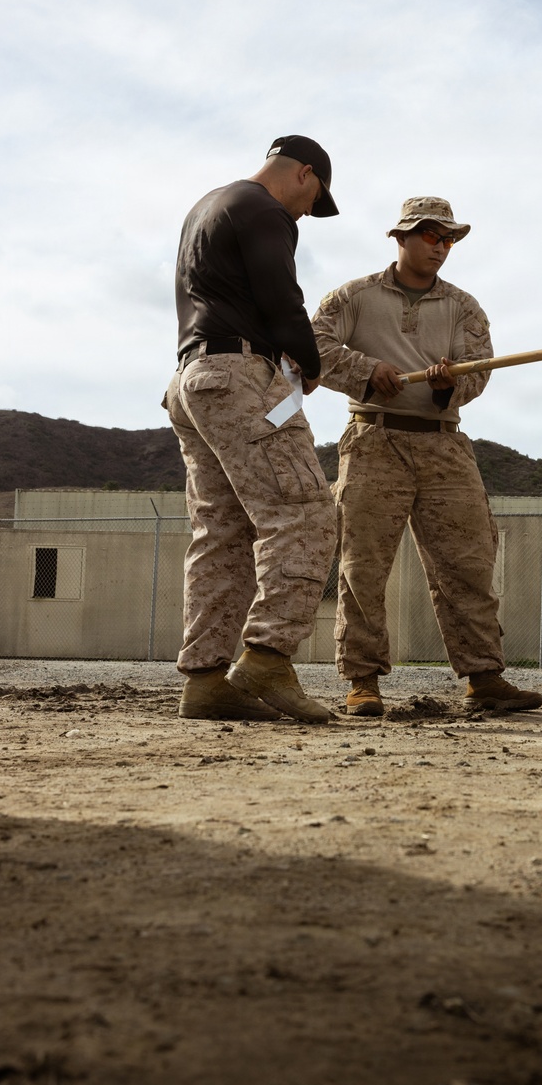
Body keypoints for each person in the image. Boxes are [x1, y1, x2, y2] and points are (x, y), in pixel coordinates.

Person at [311, 196, 542, 717]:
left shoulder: (464, 307)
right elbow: (312, 348)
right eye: (431, 236)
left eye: (449, 239)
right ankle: (363, 681)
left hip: (444, 443)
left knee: (468, 563)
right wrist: (367, 370)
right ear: (401, 237)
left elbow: (478, 369)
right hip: (374, 441)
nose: (440, 247)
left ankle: (484, 677)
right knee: (363, 566)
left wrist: (449, 386)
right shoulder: (353, 297)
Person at [166, 135, 339, 725]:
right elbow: (281, 296)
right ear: (305, 174)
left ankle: (206, 680)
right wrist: (308, 362)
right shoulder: (265, 209)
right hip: (240, 376)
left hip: (191, 380)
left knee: (223, 530)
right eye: (313, 201)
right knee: (304, 513)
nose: (306, 214)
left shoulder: (207, 206)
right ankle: (268, 658)